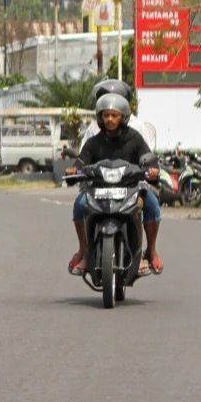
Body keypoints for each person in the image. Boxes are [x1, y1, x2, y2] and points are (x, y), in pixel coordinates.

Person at [66, 92, 163, 276]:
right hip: (99, 189)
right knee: (79, 205)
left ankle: (150, 252)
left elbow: (148, 158)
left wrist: (152, 169)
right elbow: (81, 161)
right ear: (100, 117)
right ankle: (84, 252)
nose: (110, 119)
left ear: (122, 117)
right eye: (106, 115)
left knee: (152, 204)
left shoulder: (134, 138)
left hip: (131, 187)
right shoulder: (94, 142)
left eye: (114, 115)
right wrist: (74, 170)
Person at [78, 78, 157, 151]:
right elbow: (84, 152)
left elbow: (147, 154)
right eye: (104, 102)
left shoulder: (137, 126)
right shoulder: (94, 127)